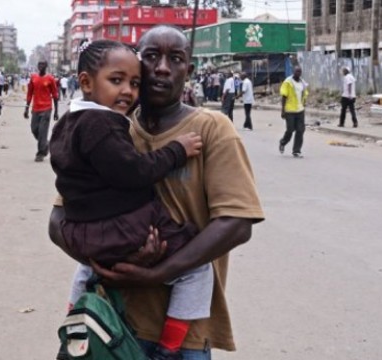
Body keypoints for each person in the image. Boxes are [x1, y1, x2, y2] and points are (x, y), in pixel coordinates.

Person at [50, 25, 265, 359]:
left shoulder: (211, 129)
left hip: (184, 339)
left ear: (188, 71)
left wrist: (158, 272)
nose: (163, 67)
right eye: (151, 56)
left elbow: (237, 223)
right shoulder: (109, 126)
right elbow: (58, 219)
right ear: (138, 63)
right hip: (110, 324)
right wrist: (116, 261)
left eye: (176, 58)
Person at [23, 60, 59, 162]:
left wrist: (56, 111)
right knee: (34, 129)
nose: (41, 66)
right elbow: (30, 93)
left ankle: (41, 153)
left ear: (46, 66)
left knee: (43, 131)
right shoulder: (33, 78)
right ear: (37, 66)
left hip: (46, 108)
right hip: (35, 109)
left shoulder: (50, 79)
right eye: (39, 64)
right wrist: (26, 108)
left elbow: (55, 95)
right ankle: (45, 145)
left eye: (43, 64)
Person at [279, 66, 309, 158]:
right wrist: (283, 110)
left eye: (300, 71)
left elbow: (304, 94)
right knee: (290, 130)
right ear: (293, 72)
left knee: (300, 130)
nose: (298, 73)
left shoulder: (303, 83)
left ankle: (296, 150)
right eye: (296, 71)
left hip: (300, 110)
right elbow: (284, 96)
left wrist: (304, 104)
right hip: (290, 110)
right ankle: (283, 142)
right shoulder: (288, 82)